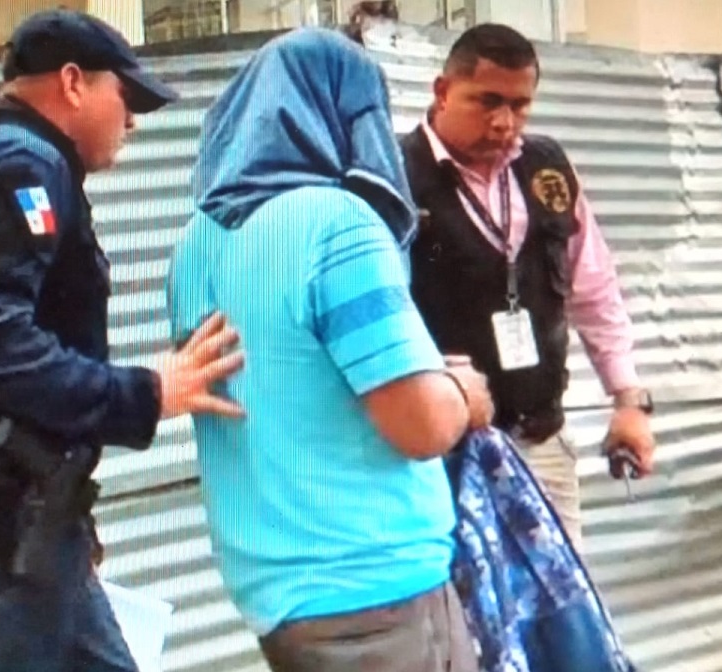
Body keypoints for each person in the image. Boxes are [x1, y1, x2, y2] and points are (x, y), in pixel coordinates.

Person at [0, 9, 244, 672]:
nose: (132, 122)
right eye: (124, 98)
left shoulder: (17, 164)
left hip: (24, 528)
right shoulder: (21, 165)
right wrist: (141, 392)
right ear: (72, 82)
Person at [167, 27, 493, 672]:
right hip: (374, 589)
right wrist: (464, 394)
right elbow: (421, 424)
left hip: (275, 594)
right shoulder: (336, 223)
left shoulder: (195, 242)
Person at [393, 22, 656, 551]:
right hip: (439, 458)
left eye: (520, 105)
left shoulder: (546, 172)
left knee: (562, 615)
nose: (503, 122)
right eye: (486, 101)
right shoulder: (395, 174)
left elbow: (594, 289)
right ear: (442, 92)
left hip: (542, 441)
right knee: (461, 623)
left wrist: (629, 400)